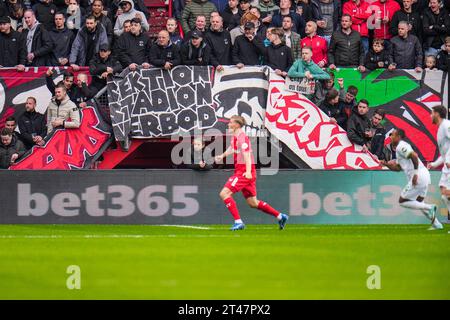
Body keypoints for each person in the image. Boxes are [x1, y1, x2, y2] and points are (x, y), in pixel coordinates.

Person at [214, 115, 289, 231]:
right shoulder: (235, 137)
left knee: (224, 194)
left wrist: (248, 172)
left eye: (230, 122)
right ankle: (280, 216)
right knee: (253, 203)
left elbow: (247, 155)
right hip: (244, 172)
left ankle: (238, 222)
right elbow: (232, 148)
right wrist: (222, 156)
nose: (228, 124)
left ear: (237, 125)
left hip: (244, 172)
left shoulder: (242, 138)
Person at [381, 129, 443, 230]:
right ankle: (436, 224)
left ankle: (430, 207)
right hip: (424, 176)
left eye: (393, 135)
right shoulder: (398, 150)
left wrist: (415, 174)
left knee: (402, 201)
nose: (391, 136)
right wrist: (386, 164)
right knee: (419, 202)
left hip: (419, 176)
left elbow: (414, 156)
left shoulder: (401, 146)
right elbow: (398, 168)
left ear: (399, 137)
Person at [428, 105, 450, 224]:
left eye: (432, 113)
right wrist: (434, 164)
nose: (430, 116)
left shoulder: (446, 125)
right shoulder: (440, 129)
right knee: (444, 195)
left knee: (446, 194)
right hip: (447, 167)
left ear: (437, 114)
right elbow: (444, 154)